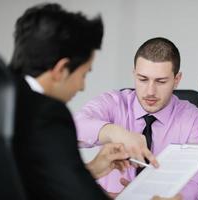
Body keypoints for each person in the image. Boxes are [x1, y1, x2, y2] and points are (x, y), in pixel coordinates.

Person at [9, 3, 130, 200]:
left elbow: (30, 183)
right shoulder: (46, 113)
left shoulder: (1, 96)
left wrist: (89, 170)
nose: (82, 87)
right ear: (61, 69)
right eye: (84, 74)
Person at [74, 37, 198, 199]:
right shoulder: (113, 102)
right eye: (143, 79)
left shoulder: (195, 121)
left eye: (161, 81)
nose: (150, 91)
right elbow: (73, 128)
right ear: (134, 74)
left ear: (176, 80)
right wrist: (114, 132)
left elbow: (195, 184)